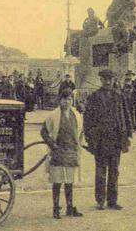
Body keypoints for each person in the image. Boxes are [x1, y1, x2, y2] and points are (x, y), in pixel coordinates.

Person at [84, 69, 132, 210]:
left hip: (116, 138)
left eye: (110, 79)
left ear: (114, 80)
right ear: (101, 80)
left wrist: (128, 134)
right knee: (100, 171)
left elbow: (126, 115)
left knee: (114, 170)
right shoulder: (94, 97)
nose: (107, 81)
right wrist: (89, 137)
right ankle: (100, 200)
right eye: (105, 79)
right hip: (100, 140)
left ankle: (112, 200)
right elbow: (87, 119)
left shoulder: (119, 96)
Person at [41, 88, 84, 219]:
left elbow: (80, 132)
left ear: (72, 100)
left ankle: (70, 208)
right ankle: (55, 208)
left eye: (70, 99)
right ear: (60, 100)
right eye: (64, 99)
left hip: (71, 152)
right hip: (58, 151)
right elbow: (43, 132)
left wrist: (79, 145)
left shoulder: (76, 115)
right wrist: (52, 145)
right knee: (57, 181)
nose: (67, 102)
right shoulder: (53, 115)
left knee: (69, 181)